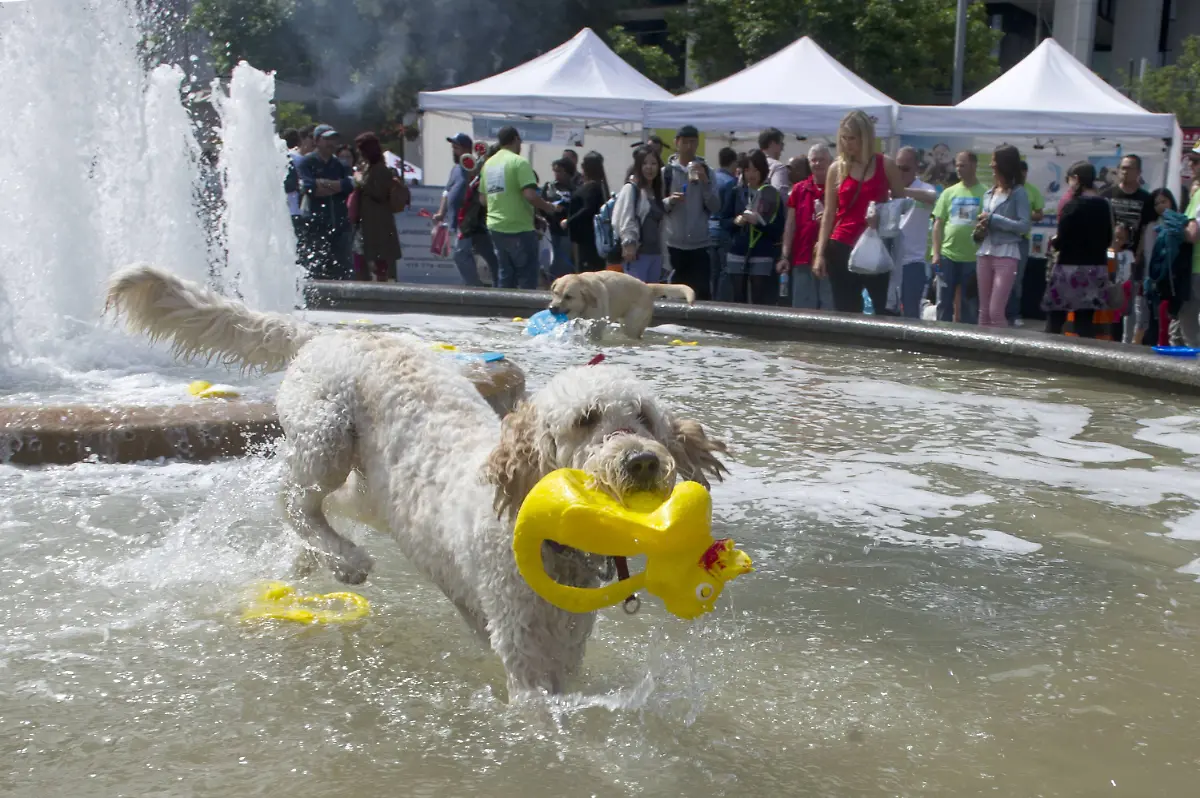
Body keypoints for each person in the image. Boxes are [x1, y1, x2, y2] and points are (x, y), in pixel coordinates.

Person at [813, 110, 928, 314]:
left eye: (852, 138)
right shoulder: (836, 168)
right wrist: (820, 254)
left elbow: (900, 205)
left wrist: (881, 216)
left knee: (885, 309)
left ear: (865, 137)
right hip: (842, 245)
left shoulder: (886, 164)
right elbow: (829, 214)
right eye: (844, 138)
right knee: (846, 312)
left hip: (878, 244)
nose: (848, 143)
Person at [479, 126, 559, 289]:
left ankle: (503, 311)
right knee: (526, 274)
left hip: (495, 226)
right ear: (516, 139)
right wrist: (548, 207)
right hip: (518, 227)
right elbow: (530, 195)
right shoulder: (519, 162)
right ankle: (524, 311)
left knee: (505, 273)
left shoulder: (488, 164)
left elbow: (483, 199)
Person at [1042, 161, 1114, 338]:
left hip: (1068, 269)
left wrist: (1055, 241)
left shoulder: (1072, 206)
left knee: (1056, 319)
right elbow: (1108, 239)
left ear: (1076, 179)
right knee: (1085, 322)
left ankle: (1049, 357)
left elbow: (1062, 240)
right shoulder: (1104, 205)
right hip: (1095, 268)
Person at [433, 133, 500, 288]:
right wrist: (441, 212)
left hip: (470, 219)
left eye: (456, 147)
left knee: (462, 254)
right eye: (453, 147)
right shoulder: (455, 169)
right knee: (487, 253)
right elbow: (446, 191)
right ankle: (491, 286)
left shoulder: (477, 166)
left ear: (467, 149)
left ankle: (477, 287)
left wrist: (475, 170)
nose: (453, 150)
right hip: (461, 220)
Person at [974, 145, 1031, 327]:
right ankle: (980, 351)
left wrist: (993, 219)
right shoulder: (988, 194)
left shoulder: (1019, 193)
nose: (991, 165)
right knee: (983, 312)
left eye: (994, 161)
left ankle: (1001, 351)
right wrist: (980, 228)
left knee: (996, 312)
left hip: (1007, 254)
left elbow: (1024, 226)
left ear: (1003, 164)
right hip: (985, 252)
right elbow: (986, 223)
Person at [662, 125, 720, 299]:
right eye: (685, 142)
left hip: (699, 245)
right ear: (676, 143)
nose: (689, 147)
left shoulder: (708, 171)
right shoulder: (667, 172)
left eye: (693, 142)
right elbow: (658, 206)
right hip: (673, 244)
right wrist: (670, 200)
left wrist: (705, 184)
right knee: (674, 296)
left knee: (700, 295)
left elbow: (716, 207)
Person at [930, 151, 986, 323]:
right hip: (948, 256)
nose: (959, 169)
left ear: (974, 166)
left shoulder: (985, 193)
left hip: (973, 258)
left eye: (963, 165)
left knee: (969, 303)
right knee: (943, 302)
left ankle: (968, 341)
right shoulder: (949, 193)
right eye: (957, 165)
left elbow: (987, 225)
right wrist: (936, 253)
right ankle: (940, 338)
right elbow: (938, 224)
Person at [779, 143, 834, 310]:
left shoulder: (838, 189)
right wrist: (784, 255)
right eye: (814, 160)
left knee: (829, 308)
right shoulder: (798, 189)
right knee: (802, 311)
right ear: (809, 163)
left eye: (822, 160)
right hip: (802, 257)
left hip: (831, 259)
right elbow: (790, 226)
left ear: (830, 162)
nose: (817, 164)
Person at [727, 149, 786, 305]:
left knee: (760, 301)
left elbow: (778, 229)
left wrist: (758, 223)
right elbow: (723, 222)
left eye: (755, 169)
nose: (751, 174)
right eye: (747, 170)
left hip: (762, 254)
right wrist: (736, 221)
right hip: (737, 253)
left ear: (763, 170)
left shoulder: (772, 194)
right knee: (738, 300)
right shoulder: (735, 192)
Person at [297, 124, 354, 280]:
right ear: (316, 140)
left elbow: (348, 186)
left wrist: (323, 183)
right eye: (327, 139)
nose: (331, 143)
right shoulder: (307, 162)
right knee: (315, 269)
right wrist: (336, 185)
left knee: (343, 271)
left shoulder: (340, 165)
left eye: (334, 139)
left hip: (340, 224)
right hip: (315, 224)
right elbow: (311, 189)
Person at [350, 132, 403, 282]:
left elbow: (378, 193)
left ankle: (381, 284)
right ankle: (366, 281)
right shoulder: (368, 167)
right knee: (360, 255)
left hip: (378, 222)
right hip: (367, 221)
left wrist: (360, 180)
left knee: (380, 258)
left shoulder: (380, 169)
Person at [891, 146, 938, 319]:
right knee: (887, 312)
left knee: (911, 313)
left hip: (913, 262)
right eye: (897, 167)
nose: (901, 172)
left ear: (917, 168)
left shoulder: (924, 187)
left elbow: (932, 196)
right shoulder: (888, 189)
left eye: (906, 168)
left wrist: (901, 191)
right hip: (889, 262)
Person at [613, 145, 666, 283]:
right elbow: (625, 217)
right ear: (638, 166)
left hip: (656, 254)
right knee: (635, 298)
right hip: (637, 254)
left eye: (654, 163)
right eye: (645, 163)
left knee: (651, 298)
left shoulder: (656, 191)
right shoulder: (631, 189)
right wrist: (629, 243)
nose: (649, 167)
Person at [1006, 160, 1046, 325]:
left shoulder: (1031, 190)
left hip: (1022, 238)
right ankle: (999, 312)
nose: (1021, 175)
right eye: (1018, 172)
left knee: (1017, 278)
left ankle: (1014, 314)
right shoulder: (1006, 188)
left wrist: (1024, 215)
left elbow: (1040, 214)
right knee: (1002, 277)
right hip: (1003, 238)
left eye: (1024, 172)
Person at [563, 151, 609, 272]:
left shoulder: (593, 187)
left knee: (586, 271)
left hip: (588, 238)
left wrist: (568, 221)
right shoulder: (598, 185)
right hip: (587, 238)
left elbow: (587, 209)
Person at [708, 147, 739, 300]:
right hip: (723, 230)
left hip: (708, 229)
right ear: (734, 163)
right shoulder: (731, 182)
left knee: (712, 272)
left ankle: (710, 302)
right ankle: (720, 304)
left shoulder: (711, 177)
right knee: (724, 271)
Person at [284, 125, 315, 271]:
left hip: (287, 210)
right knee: (298, 250)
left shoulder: (285, 157)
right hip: (297, 210)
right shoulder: (298, 159)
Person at [540, 158, 576, 278]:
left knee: (565, 263)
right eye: (554, 171)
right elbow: (540, 204)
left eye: (559, 171)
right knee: (551, 261)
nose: (556, 174)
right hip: (551, 229)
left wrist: (565, 209)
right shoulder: (549, 186)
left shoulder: (574, 188)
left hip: (567, 231)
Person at [758, 127, 790, 193]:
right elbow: (779, 195)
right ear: (771, 144)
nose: (782, 149)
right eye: (781, 144)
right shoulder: (778, 167)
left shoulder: (748, 164)